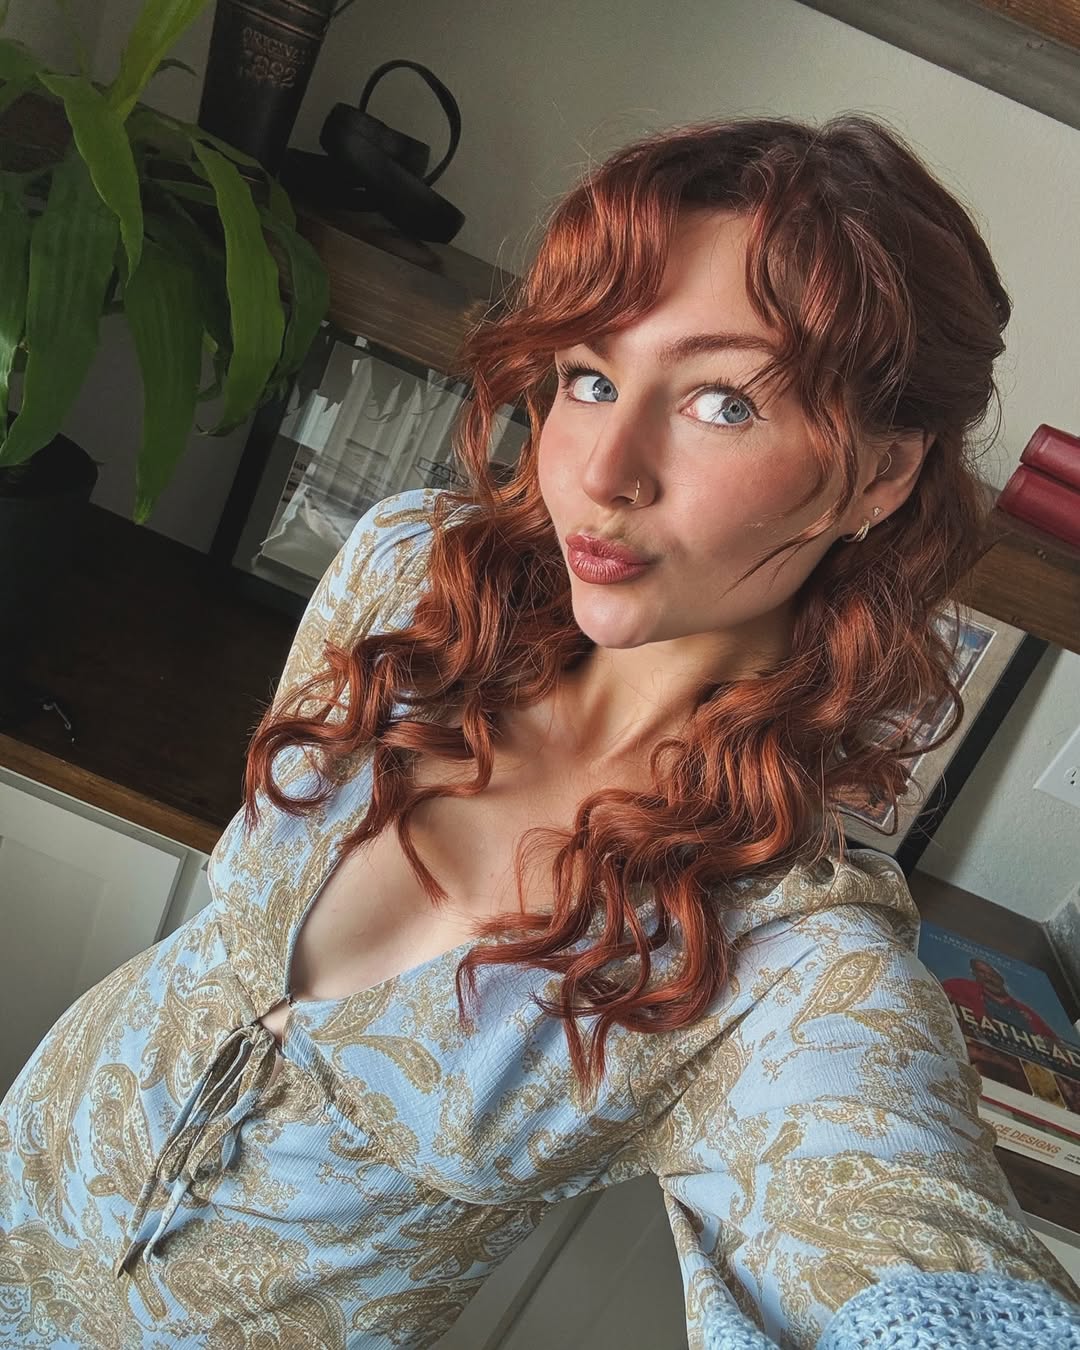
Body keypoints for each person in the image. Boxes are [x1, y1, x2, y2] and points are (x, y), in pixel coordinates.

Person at [2, 112, 1079, 1349]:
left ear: (882, 476)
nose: (604, 472)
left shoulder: (782, 954)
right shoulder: (406, 579)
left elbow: (889, 1219)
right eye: (590, 377)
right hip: (25, 1179)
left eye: (723, 401)